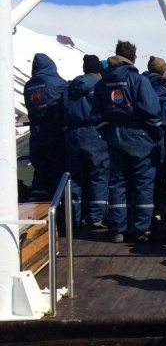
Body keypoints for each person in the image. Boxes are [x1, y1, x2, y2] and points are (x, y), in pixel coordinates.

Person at [91, 40, 163, 242]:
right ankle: (141, 229)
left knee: (117, 182)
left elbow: (96, 114)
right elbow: (151, 110)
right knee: (143, 182)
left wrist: (108, 132)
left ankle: (117, 229)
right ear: (133, 58)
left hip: (114, 134)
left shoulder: (102, 83)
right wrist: (155, 133)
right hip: (139, 135)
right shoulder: (138, 80)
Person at [60, 54, 109, 228]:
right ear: (98, 69)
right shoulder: (100, 85)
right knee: (99, 174)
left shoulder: (70, 87)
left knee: (74, 177)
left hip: (72, 134)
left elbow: (63, 110)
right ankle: (96, 217)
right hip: (94, 132)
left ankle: (72, 217)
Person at [23, 53, 68, 201]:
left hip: (36, 134)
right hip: (54, 132)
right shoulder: (58, 83)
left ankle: (36, 203)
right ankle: (60, 209)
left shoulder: (28, 86)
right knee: (57, 168)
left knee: (40, 170)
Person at [142, 56, 166, 215]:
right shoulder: (163, 91)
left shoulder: (138, 84)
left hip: (136, 137)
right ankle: (150, 219)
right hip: (159, 141)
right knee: (154, 182)